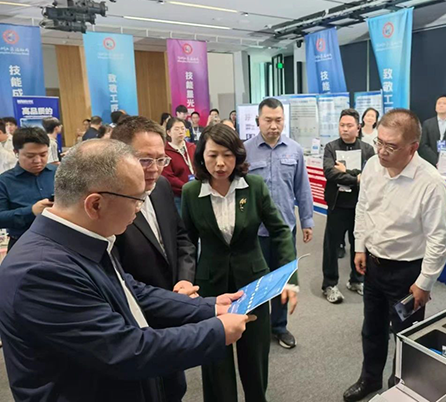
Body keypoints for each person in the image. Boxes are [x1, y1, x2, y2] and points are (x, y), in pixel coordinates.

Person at [0, 139, 254, 402]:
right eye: (137, 199)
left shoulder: (82, 239)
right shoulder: (41, 271)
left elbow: (131, 292)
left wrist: (209, 307)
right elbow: (124, 350)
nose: (140, 208)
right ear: (95, 204)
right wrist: (216, 331)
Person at [181, 123, 297, 402]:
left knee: (254, 358)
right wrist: (186, 280)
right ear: (201, 157)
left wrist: (288, 278)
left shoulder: (253, 187)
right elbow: (186, 242)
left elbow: (281, 230)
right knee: (215, 360)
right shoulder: (191, 192)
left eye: (228, 155)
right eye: (212, 155)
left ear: (238, 156)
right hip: (210, 288)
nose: (220, 163)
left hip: (253, 286)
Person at [343, 109, 446, 402]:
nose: (382, 151)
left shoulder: (430, 182)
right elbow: (363, 208)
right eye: (379, 142)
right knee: (372, 329)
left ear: (413, 147)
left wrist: (425, 282)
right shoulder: (373, 166)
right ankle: (369, 379)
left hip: (408, 274)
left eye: (391, 146)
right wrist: (360, 246)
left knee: (407, 336)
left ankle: (400, 388)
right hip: (374, 265)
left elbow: (438, 239)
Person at [112, 116, 198, 402]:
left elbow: (181, 238)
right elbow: (114, 273)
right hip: (133, 322)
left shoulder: (160, 187)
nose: (154, 169)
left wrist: (185, 280)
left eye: (161, 160)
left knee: (175, 388)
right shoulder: (110, 200)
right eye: (144, 160)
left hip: (171, 312)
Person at [244, 97, 314, 349]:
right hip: (255, 231)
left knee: (283, 279)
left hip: (285, 230)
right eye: (268, 120)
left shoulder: (294, 150)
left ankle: (280, 327)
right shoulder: (245, 151)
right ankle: (257, 326)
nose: (273, 126)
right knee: (258, 281)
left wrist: (307, 220)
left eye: (278, 120)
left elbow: (302, 188)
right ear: (258, 121)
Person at [322, 108, 375, 304]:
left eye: (349, 125)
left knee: (358, 245)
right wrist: (356, 177)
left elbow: (370, 175)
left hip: (359, 205)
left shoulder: (367, 149)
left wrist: (347, 172)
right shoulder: (331, 147)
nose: (345, 129)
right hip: (337, 204)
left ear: (358, 127)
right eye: (342, 125)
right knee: (331, 247)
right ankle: (329, 284)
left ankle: (356, 280)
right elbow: (330, 173)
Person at [0, 127, 56, 251]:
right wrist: (31, 211)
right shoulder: (4, 182)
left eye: (43, 154)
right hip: (23, 245)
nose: (38, 161)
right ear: (16, 152)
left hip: (60, 242)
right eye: (30, 156)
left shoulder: (58, 174)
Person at [163, 117, 196, 212]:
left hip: (195, 191)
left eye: (183, 128)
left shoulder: (192, 147)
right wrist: (186, 188)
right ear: (168, 132)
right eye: (176, 129)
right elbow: (169, 177)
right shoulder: (165, 152)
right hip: (178, 195)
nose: (181, 132)